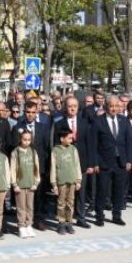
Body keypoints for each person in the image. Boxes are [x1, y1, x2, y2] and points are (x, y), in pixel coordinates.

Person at [53, 96, 94, 227]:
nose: (72, 108)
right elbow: (55, 144)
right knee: (64, 195)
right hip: (65, 164)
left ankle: (81, 217)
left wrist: (90, 164)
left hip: (81, 163)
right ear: (65, 107)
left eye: (75, 106)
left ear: (78, 107)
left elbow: (90, 144)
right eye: (70, 106)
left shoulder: (84, 123)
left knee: (81, 192)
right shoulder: (59, 123)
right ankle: (64, 220)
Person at [91, 96, 131, 226]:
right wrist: (95, 162)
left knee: (118, 190)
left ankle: (117, 215)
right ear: (106, 107)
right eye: (111, 106)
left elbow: (128, 142)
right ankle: (99, 216)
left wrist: (129, 160)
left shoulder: (124, 121)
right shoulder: (98, 121)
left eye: (116, 106)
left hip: (120, 162)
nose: (114, 109)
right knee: (102, 190)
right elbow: (94, 143)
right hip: (104, 162)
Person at [12, 101, 52, 231]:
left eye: (33, 112)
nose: (30, 115)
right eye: (28, 112)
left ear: (37, 112)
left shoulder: (43, 127)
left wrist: (45, 166)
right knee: (24, 197)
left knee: (39, 195)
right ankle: (23, 221)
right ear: (24, 113)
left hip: (38, 167)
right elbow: (14, 147)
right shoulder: (18, 126)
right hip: (23, 168)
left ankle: (38, 219)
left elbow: (46, 147)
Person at [50, 128, 81, 235]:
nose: (71, 140)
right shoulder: (56, 150)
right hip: (61, 182)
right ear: (62, 139)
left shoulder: (73, 149)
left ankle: (69, 223)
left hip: (72, 181)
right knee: (61, 203)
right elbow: (53, 167)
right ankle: (61, 223)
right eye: (69, 138)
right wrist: (54, 183)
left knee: (70, 203)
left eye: (71, 138)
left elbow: (77, 165)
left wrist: (78, 180)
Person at [10, 129, 40, 238]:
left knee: (30, 206)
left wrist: (36, 182)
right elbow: (12, 169)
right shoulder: (15, 152)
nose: (26, 142)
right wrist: (14, 184)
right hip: (20, 185)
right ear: (20, 139)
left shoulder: (33, 152)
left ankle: (29, 225)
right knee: (21, 206)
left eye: (28, 140)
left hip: (31, 184)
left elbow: (36, 168)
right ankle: (21, 226)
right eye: (24, 139)